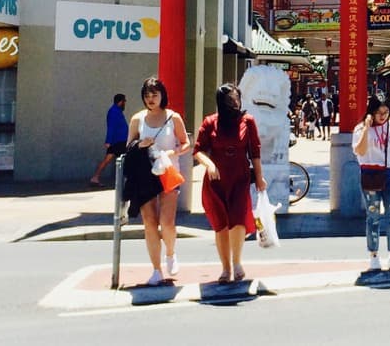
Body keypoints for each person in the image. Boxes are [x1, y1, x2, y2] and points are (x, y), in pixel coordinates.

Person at [193, 83, 267, 284]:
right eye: (230, 99)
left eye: (237, 98)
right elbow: (198, 150)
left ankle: (237, 262)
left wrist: (259, 177)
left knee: (238, 220)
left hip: (240, 177)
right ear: (221, 102)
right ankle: (225, 268)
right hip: (216, 180)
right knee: (221, 225)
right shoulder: (210, 122)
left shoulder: (247, 121)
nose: (234, 102)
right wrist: (208, 164)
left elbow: (255, 152)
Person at [127, 76, 190, 286]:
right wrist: (140, 145)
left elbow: (186, 143)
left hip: (168, 172)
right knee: (149, 223)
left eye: (154, 95)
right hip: (144, 175)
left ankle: (170, 253)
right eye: (147, 95)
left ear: (163, 95)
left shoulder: (173, 118)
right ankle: (156, 269)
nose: (151, 99)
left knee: (167, 222)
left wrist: (172, 152)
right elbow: (128, 148)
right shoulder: (137, 119)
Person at [352, 95, 390, 274]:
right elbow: (359, 150)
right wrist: (367, 128)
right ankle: (373, 255)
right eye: (378, 113)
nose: (382, 116)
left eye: (386, 112)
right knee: (372, 217)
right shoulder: (360, 129)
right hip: (370, 174)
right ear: (371, 113)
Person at [90, 93, 127, 186]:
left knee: (108, 160)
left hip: (119, 141)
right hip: (118, 141)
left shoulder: (117, 111)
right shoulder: (114, 111)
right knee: (124, 159)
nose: (125, 103)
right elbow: (111, 127)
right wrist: (108, 141)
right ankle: (95, 177)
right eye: (124, 101)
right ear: (120, 102)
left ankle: (95, 178)